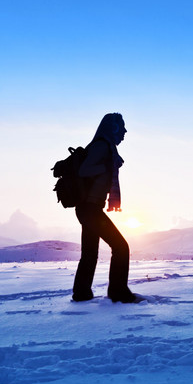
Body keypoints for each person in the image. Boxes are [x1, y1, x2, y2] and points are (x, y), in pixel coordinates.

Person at [72, 113, 138, 303]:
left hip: (89, 208)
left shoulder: (106, 147)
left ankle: (81, 294)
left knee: (90, 254)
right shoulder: (101, 146)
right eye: (122, 127)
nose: (125, 131)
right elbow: (84, 170)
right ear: (113, 128)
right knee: (121, 247)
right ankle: (118, 292)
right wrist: (106, 168)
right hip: (90, 209)